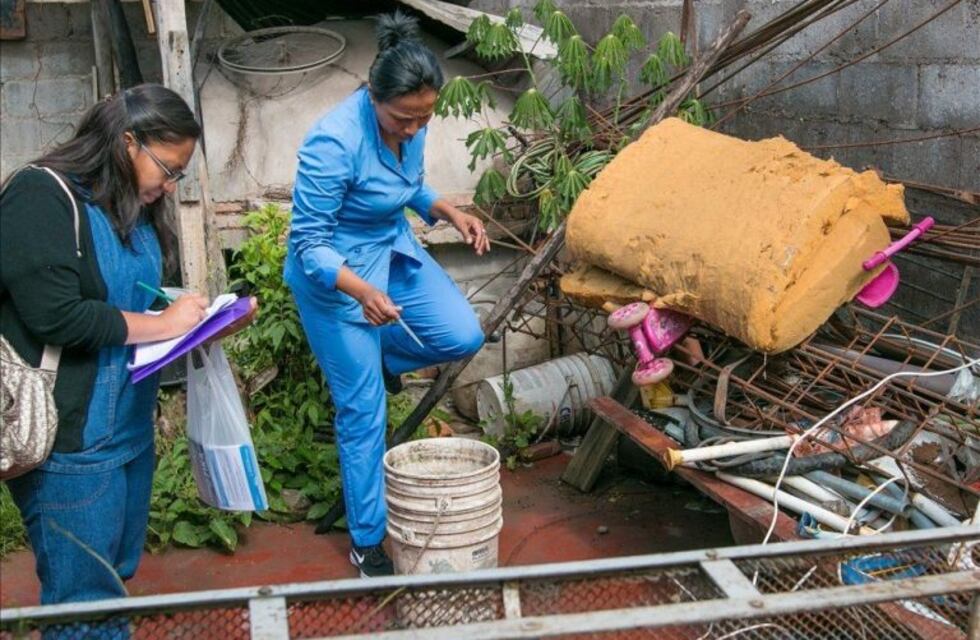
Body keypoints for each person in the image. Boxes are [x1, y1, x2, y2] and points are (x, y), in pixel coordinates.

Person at [0, 84, 258, 620]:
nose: (169, 185)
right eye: (167, 169)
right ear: (127, 143)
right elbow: (57, 314)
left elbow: (127, 303)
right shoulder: (39, 194)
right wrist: (163, 322)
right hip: (70, 444)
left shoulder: (127, 206)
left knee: (113, 577)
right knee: (83, 603)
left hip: (128, 429)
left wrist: (200, 327)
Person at [285, 11, 488, 577]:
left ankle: (381, 361)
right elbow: (309, 245)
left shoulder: (411, 124)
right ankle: (368, 540)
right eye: (404, 119)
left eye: (424, 119)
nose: (414, 129)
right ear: (374, 97)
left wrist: (447, 210)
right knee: (363, 412)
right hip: (337, 277)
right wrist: (360, 291)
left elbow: (409, 185)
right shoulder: (333, 141)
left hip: (392, 250)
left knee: (462, 332)